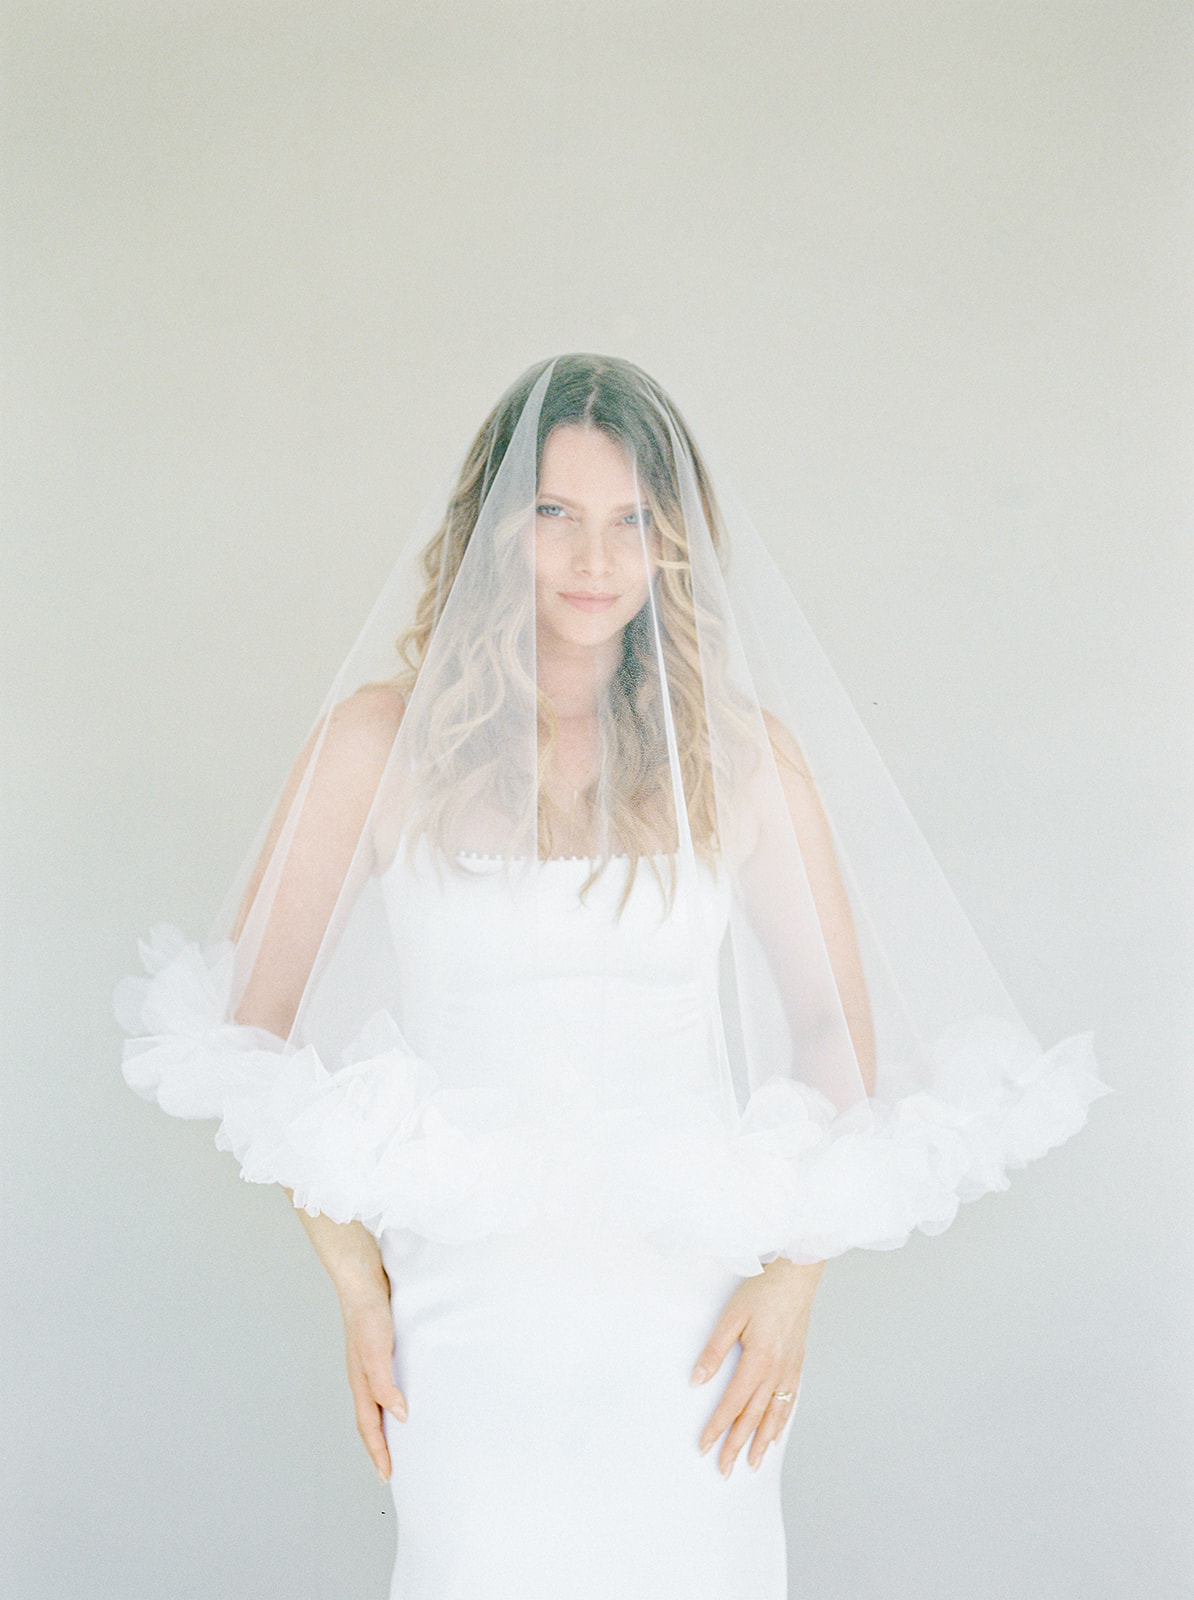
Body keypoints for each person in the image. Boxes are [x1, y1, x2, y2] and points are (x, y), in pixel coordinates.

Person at [117, 355, 1107, 1599]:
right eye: (556, 516)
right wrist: (359, 1282)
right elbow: (244, 1029)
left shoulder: (739, 758)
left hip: (692, 1331)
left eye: (632, 523)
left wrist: (794, 1279)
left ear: (671, 546)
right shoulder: (380, 743)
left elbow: (828, 1029)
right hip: (465, 1327)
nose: (595, 560)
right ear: (492, 531)